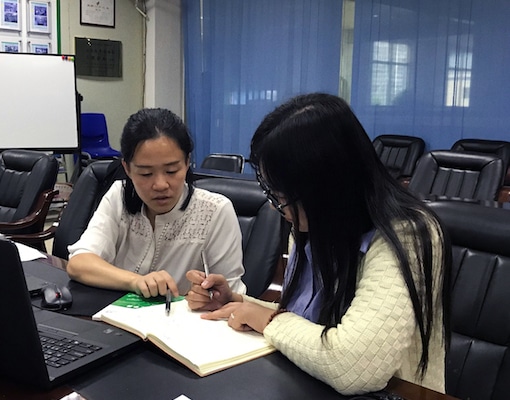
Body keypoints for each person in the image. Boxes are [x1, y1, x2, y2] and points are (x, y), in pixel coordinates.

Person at [186, 93, 450, 395]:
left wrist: (269, 321)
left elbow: (353, 366)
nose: (275, 207)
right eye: (272, 193)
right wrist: (238, 303)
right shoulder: (315, 223)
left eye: (283, 196)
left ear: (327, 187)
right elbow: (303, 324)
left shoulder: (410, 234)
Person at [67, 108, 247, 298]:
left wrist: (210, 297)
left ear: (187, 163)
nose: (160, 185)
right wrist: (135, 281)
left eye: (171, 171)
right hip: (119, 319)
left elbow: (231, 296)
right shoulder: (118, 196)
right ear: (127, 168)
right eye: (145, 173)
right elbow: (79, 263)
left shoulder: (216, 211)